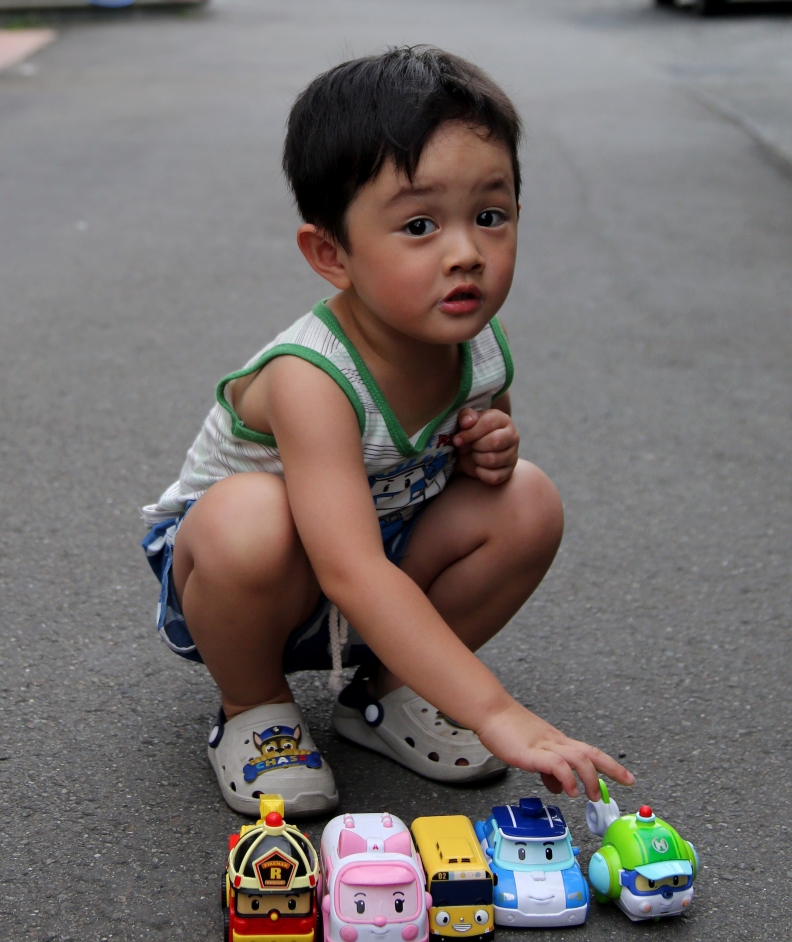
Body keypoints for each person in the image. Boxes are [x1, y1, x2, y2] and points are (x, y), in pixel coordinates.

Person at [142, 46, 634, 817]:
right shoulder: (312, 377)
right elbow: (351, 570)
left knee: (527, 500)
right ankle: (254, 709)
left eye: (490, 216)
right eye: (419, 225)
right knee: (250, 519)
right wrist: (497, 711)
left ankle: (387, 694)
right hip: (254, 582)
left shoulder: (478, 343)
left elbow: (476, 455)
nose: (466, 253)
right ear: (331, 254)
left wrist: (490, 446)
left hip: (378, 552)